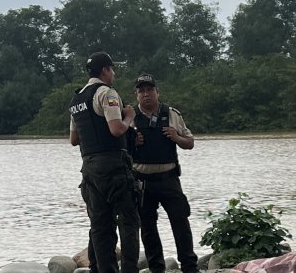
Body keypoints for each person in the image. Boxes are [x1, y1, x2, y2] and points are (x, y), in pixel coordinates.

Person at [70, 52, 140, 273]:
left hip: (89, 169)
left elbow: (74, 140)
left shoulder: (77, 99)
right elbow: (116, 128)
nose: (114, 73)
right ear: (105, 70)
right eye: (112, 69)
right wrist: (129, 116)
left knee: (100, 226)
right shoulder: (106, 93)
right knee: (128, 221)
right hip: (113, 166)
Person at [129, 74, 200, 273]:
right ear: (137, 96)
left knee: (180, 222)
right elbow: (119, 148)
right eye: (141, 91)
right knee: (148, 228)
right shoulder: (130, 116)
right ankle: (156, 268)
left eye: (150, 90)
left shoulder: (171, 114)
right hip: (141, 182)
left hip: (169, 179)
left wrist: (176, 137)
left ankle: (189, 267)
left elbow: (190, 143)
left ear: (157, 92)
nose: (146, 94)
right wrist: (132, 142)